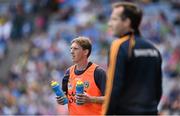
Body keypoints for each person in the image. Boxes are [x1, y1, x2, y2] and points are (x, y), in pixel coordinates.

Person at [102, 2, 162, 115]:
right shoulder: (154, 49)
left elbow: (113, 87)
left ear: (127, 22)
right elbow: (158, 89)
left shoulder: (119, 45)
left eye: (114, 19)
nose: (110, 24)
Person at [56, 36, 106, 115]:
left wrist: (91, 99)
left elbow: (111, 98)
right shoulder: (68, 73)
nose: (71, 51)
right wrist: (61, 99)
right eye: (71, 49)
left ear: (85, 52)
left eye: (75, 49)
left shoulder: (98, 72)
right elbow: (66, 98)